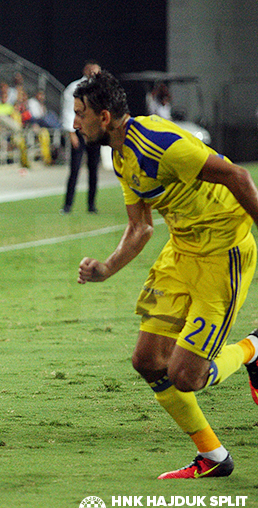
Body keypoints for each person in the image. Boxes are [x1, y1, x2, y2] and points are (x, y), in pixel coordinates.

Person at [74, 70, 258, 479]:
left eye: (79, 114)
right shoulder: (120, 155)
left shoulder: (158, 143)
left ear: (103, 117)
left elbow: (239, 176)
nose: (74, 123)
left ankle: (252, 350)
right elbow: (140, 227)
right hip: (181, 252)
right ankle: (213, 456)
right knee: (146, 360)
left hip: (222, 253)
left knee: (186, 376)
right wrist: (105, 269)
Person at [61, 60, 101, 214]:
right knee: (75, 169)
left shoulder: (100, 88)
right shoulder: (75, 87)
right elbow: (68, 111)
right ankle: (68, 205)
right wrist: (71, 133)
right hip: (80, 130)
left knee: (93, 169)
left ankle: (91, 205)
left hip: (95, 131)